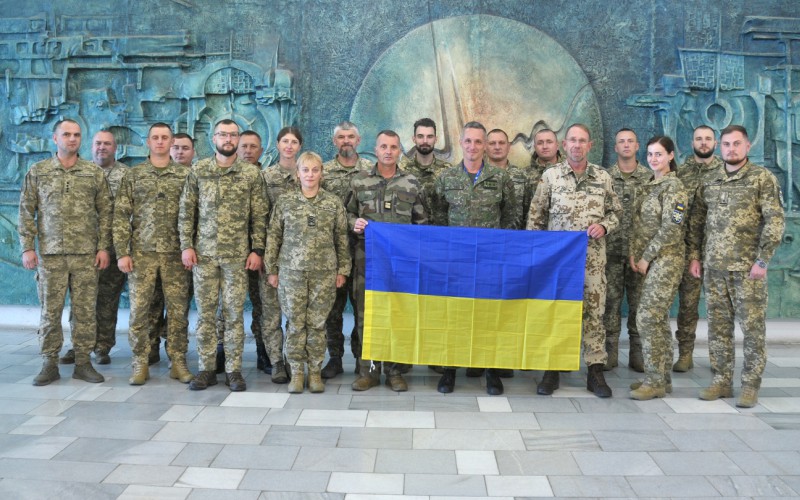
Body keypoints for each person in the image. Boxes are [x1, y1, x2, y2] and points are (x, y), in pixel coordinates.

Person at [688, 125, 785, 408]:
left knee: (752, 330)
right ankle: (721, 380)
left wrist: (763, 259)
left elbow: (775, 220)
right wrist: (695, 256)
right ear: (720, 146)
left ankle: (750, 386)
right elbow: (697, 221)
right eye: (727, 144)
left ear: (747, 146)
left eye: (737, 144)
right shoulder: (711, 179)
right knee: (718, 328)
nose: (731, 149)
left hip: (747, 269)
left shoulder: (761, 179)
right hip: (714, 267)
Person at [527, 123, 622, 398]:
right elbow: (536, 217)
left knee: (594, 314)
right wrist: (538, 256)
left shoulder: (603, 178)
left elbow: (617, 212)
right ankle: (552, 370)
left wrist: (604, 225)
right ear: (563, 145)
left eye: (582, 141)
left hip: (593, 262)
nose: (577, 145)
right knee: (557, 312)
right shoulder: (551, 177)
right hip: (558, 264)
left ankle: (594, 372)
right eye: (572, 140)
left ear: (589, 146)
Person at [18, 118, 112, 386]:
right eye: (67, 134)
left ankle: (83, 362)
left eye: (77, 135)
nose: (72, 139)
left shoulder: (93, 173)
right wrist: (27, 247)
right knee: (50, 311)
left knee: (84, 311)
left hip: (85, 256)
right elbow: (26, 212)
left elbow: (106, 213)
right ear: (55, 139)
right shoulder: (39, 172)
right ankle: (49, 363)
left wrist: (103, 247)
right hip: (51, 256)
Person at [179, 119, 268, 392]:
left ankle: (233, 370)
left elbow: (260, 215)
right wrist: (186, 245)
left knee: (233, 315)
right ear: (213, 138)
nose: (228, 139)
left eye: (232, 135)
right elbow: (186, 211)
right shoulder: (199, 171)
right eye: (223, 134)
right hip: (203, 257)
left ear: (238, 139)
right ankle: (206, 369)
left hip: (237, 258)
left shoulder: (251, 175)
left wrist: (257, 250)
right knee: (205, 315)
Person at [433, 121, 516, 395]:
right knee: (453, 316)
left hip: (490, 261)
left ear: (484, 145)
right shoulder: (446, 179)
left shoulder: (501, 178)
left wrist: (499, 250)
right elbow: (438, 218)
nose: (473, 147)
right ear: (461, 142)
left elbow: (510, 217)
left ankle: (492, 371)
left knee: (489, 316)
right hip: (455, 261)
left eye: (478, 142)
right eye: (468, 141)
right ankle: (449, 371)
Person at [347, 130, 427, 392]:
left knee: (397, 316)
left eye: (394, 146)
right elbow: (345, 216)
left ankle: (394, 371)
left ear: (400, 150)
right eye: (384, 146)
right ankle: (368, 371)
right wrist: (354, 223)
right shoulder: (359, 182)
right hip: (366, 264)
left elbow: (422, 225)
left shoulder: (412, 184)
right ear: (376, 149)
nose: (389, 151)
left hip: (399, 266)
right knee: (366, 317)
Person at [113, 123, 193, 385]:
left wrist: (188, 247)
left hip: (175, 255)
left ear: (172, 143)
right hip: (142, 254)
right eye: (155, 138)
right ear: (148, 142)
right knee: (139, 312)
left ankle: (178, 361)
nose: (160, 142)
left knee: (179, 311)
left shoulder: (184, 176)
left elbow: (193, 216)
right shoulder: (133, 176)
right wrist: (122, 253)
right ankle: (140, 362)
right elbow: (121, 216)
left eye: (165, 138)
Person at [266, 152, 350, 393]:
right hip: (291, 273)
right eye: (306, 170)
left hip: (324, 273)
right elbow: (274, 236)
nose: (310, 175)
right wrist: (271, 270)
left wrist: (342, 270)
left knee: (317, 324)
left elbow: (341, 238)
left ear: (321, 173)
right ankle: (296, 372)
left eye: (315, 170)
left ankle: (314, 372)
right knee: (294, 323)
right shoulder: (285, 202)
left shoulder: (332, 203)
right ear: (298, 174)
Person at [59, 130, 128, 366]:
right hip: (83, 248)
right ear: (91, 146)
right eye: (98, 143)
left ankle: (102, 347)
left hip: (114, 248)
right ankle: (79, 346)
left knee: (107, 301)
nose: (102, 147)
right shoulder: (81, 172)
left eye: (107, 144)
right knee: (80, 301)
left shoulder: (126, 175)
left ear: (115, 148)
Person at [628, 136, 687, 400]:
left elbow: (671, 229)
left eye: (659, 154)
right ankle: (662, 378)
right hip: (646, 260)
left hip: (666, 259)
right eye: (650, 154)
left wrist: (647, 256)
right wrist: (634, 252)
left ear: (671, 156)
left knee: (647, 317)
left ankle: (654, 381)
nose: (653, 159)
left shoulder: (675, 188)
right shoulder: (648, 185)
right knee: (659, 319)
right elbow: (638, 223)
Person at [213, 130, 271, 376]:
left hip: (260, 253)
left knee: (262, 304)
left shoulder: (267, 176)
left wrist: (259, 249)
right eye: (244, 145)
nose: (247, 150)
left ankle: (263, 350)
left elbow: (264, 217)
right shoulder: (219, 172)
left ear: (261, 151)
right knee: (224, 305)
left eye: (253, 146)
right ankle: (221, 351)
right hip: (228, 253)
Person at [321, 122, 372, 379]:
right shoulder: (324, 172)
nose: (346, 141)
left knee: (363, 308)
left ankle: (362, 358)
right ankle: (335, 358)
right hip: (331, 252)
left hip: (365, 253)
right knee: (334, 309)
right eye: (341, 137)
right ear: (334, 142)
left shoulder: (371, 172)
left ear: (359, 140)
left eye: (350, 136)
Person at [672, 125, 723, 372]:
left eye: (708, 139)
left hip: (717, 251)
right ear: (691, 142)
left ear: (716, 142)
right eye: (699, 139)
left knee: (719, 308)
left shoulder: (725, 172)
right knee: (688, 305)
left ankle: (719, 358)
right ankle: (685, 354)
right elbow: (674, 211)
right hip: (685, 250)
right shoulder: (681, 173)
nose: (703, 143)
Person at [603, 129, 650, 372]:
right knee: (610, 304)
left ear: (637, 146)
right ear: (615, 148)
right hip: (611, 252)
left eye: (630, 141)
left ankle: (637, 352)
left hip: (640, 255)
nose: (626, 145)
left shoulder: (650, 178)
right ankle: (609, 351)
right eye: (621, 141)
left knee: (638, 305)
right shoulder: (605, 177)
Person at [260, 126, 303, 383]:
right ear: (277, 145)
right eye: (285, 141)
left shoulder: (307, 174)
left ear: (300, 146)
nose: (289, 146)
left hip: (300, 257)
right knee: (271, 311)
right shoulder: (265, 177)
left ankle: (293, 360)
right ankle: (276, 362)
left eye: (294, 142)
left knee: (296, 313)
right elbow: (259, 216)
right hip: (272, 255)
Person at [150, 133, 196, 363]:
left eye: (185, 148)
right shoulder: (148, 175)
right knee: (152, 304)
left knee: (179, 308)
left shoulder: (196, 177)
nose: (179, 152)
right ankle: (150, 348)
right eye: (176, 147)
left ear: (193, 152)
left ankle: (175, 351)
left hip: (183, 255)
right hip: (151, 252)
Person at [403, 118, 451, 224]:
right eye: (420, 136)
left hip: (441, 236)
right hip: (413, 236)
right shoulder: (402, 171)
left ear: (436, 139)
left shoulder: (449, 172)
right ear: (414, 139)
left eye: (430, 136)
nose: (425, 141)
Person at [486, 128, 532, 230]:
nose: (497, 147)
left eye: (501, 143)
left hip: (514, 238)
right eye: (492, 143)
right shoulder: (479, 176)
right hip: (486, 237)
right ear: (485, 146)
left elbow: (528, 211)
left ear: (508, 146)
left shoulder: (522, 176)